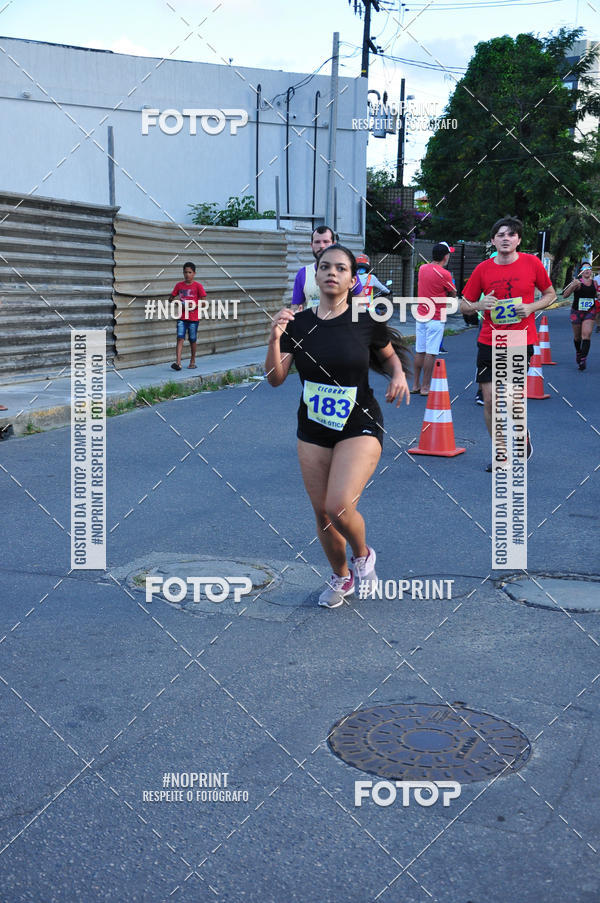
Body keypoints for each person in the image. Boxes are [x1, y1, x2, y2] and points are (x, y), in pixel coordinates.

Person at [266, 244, 410, 608]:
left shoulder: (367, 319)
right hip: (313, 429)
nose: (332, 273)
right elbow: (275, 378)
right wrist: (274, 338)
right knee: (323, 515)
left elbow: (390, 357)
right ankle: (341, 577)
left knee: (338, 505)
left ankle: (363, 556)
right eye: (325, 267)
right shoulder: (297, 324)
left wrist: (399, 376)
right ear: (315, 276)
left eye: (340, 268)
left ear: (352, 279)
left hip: (359, 424)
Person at [460, 216, 556, 471]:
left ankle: (522, 437)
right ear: (493, 240)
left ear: (518, 240)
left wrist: (531, 307)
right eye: (500, 235)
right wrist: (480, 305)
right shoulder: (483, 269)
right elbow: (463, 305)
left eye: (511, 235)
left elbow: (550, 294)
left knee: (510, 399)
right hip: (488, 339)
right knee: (490, 400)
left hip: (518, 338)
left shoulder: (532, 263)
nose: (505, 238)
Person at [411, 242, 456, 395]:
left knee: (420, 350)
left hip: (421, 314)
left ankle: (415, 385)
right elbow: (453, 293)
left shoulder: (423, 269)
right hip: (436, 316)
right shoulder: (445, 274)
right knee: (431, 352)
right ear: (445, 256)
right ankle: (425, 387)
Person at [291, 225, 363, 311]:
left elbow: (361, 303)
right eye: (317, 242)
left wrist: (355, 322)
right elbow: (295, 308)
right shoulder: (303, 274)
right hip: (312, 323)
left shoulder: (347, 272)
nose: (322, 246)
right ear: (312, 245)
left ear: (333, 244)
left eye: (326, 241)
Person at [170, 262, 207, 371]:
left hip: (193, 318)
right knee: (180, 338)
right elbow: (170, 298)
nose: (187, 274)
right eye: (185, 272)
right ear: (183, 273)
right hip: (182, 317)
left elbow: (204, 302)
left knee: (192, 339)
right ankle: (178, 363)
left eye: (190, 272)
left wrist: (194, 305)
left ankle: (192, 361)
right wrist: (175, 301)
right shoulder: (179, 285)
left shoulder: (198, 286)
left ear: (194, 273)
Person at [563, 264, 599, 370]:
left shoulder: (595, 283)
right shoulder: (577, 282)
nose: (587, 270)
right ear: (581, 272)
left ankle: (583, 359)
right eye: (584, 269)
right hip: (576, 312)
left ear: (591, 271)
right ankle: (579, 352)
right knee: (577, 337)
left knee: (586, 335)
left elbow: (596, 295)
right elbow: (565, 295)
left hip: (590, 311)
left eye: (589, 268)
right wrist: (573, 286)